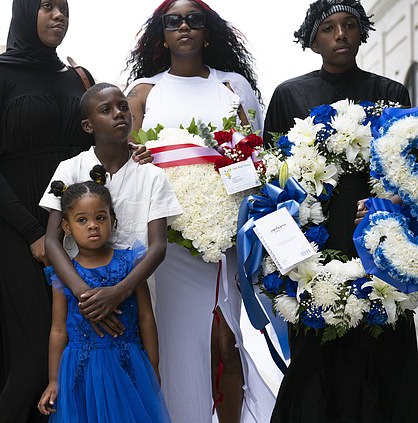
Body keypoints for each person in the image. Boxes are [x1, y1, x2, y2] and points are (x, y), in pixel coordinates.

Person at [0, 2, 149, 421]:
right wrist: (32, 232)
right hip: (20, 230)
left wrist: (129, 152)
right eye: (46, 6)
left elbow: (96, 142)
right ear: (25, 12)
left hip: (75, 230)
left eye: (63, 7)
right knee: (32, 355)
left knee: (72, 351)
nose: (58, 15)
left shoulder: (75, 78)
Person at [263, 1, 418, 422]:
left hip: (378, 236)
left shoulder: (390, 92)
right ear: (313, 40)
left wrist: (390, 204)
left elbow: (408, 169)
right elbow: (272, 181)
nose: (341, 35)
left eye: (350, 25)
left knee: (384, 348)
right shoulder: (290, 94)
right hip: (314, 244)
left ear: (362, 32)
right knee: (318, 356)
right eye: (329, 28)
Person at [124, 1, 275, 422]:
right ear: (163, 34)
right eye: (174, 22)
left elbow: (253, 158)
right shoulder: (144, 92)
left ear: (209, 33)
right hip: (165, 246)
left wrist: (233, 215)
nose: (184, 27)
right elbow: (128, 164)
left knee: (227, 342)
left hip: (224, 237)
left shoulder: (232, 87)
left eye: (195, 20)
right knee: (175, 344)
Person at [40, 83, 182, 342]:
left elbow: (158, 246)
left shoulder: (152, 176)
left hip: (136, 298)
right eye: (106, 109)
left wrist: (118, 292)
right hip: (80, 300)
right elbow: (51, 240)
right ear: (88, 126)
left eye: (123, 107)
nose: (118, 113)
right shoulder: (70, 169)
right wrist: (86, 296)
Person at [37, 177, 171, 422]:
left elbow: (146, 318)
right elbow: (57, 331)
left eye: (100, 217)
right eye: (82, 220)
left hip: (127, 363)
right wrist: (54, 379)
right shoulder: (64, 275)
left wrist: (152, 368)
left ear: (113, 219)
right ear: (66, 227)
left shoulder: (131, 262)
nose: (92, 226)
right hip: (80, 369)